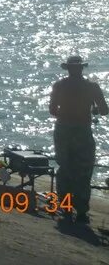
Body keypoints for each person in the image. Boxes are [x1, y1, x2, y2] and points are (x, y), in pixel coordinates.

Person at [48, 55, 108, 224]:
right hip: (83, 131)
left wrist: (68, 114)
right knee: (84, 171)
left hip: (63, 130)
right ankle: (81, 211)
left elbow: (52, 110)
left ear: (67, 69)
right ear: (82, 68)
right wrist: (92, 110)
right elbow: (104, 110)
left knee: (65, 168)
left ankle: (66, 208)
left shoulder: (59, 86)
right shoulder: (92, 87)